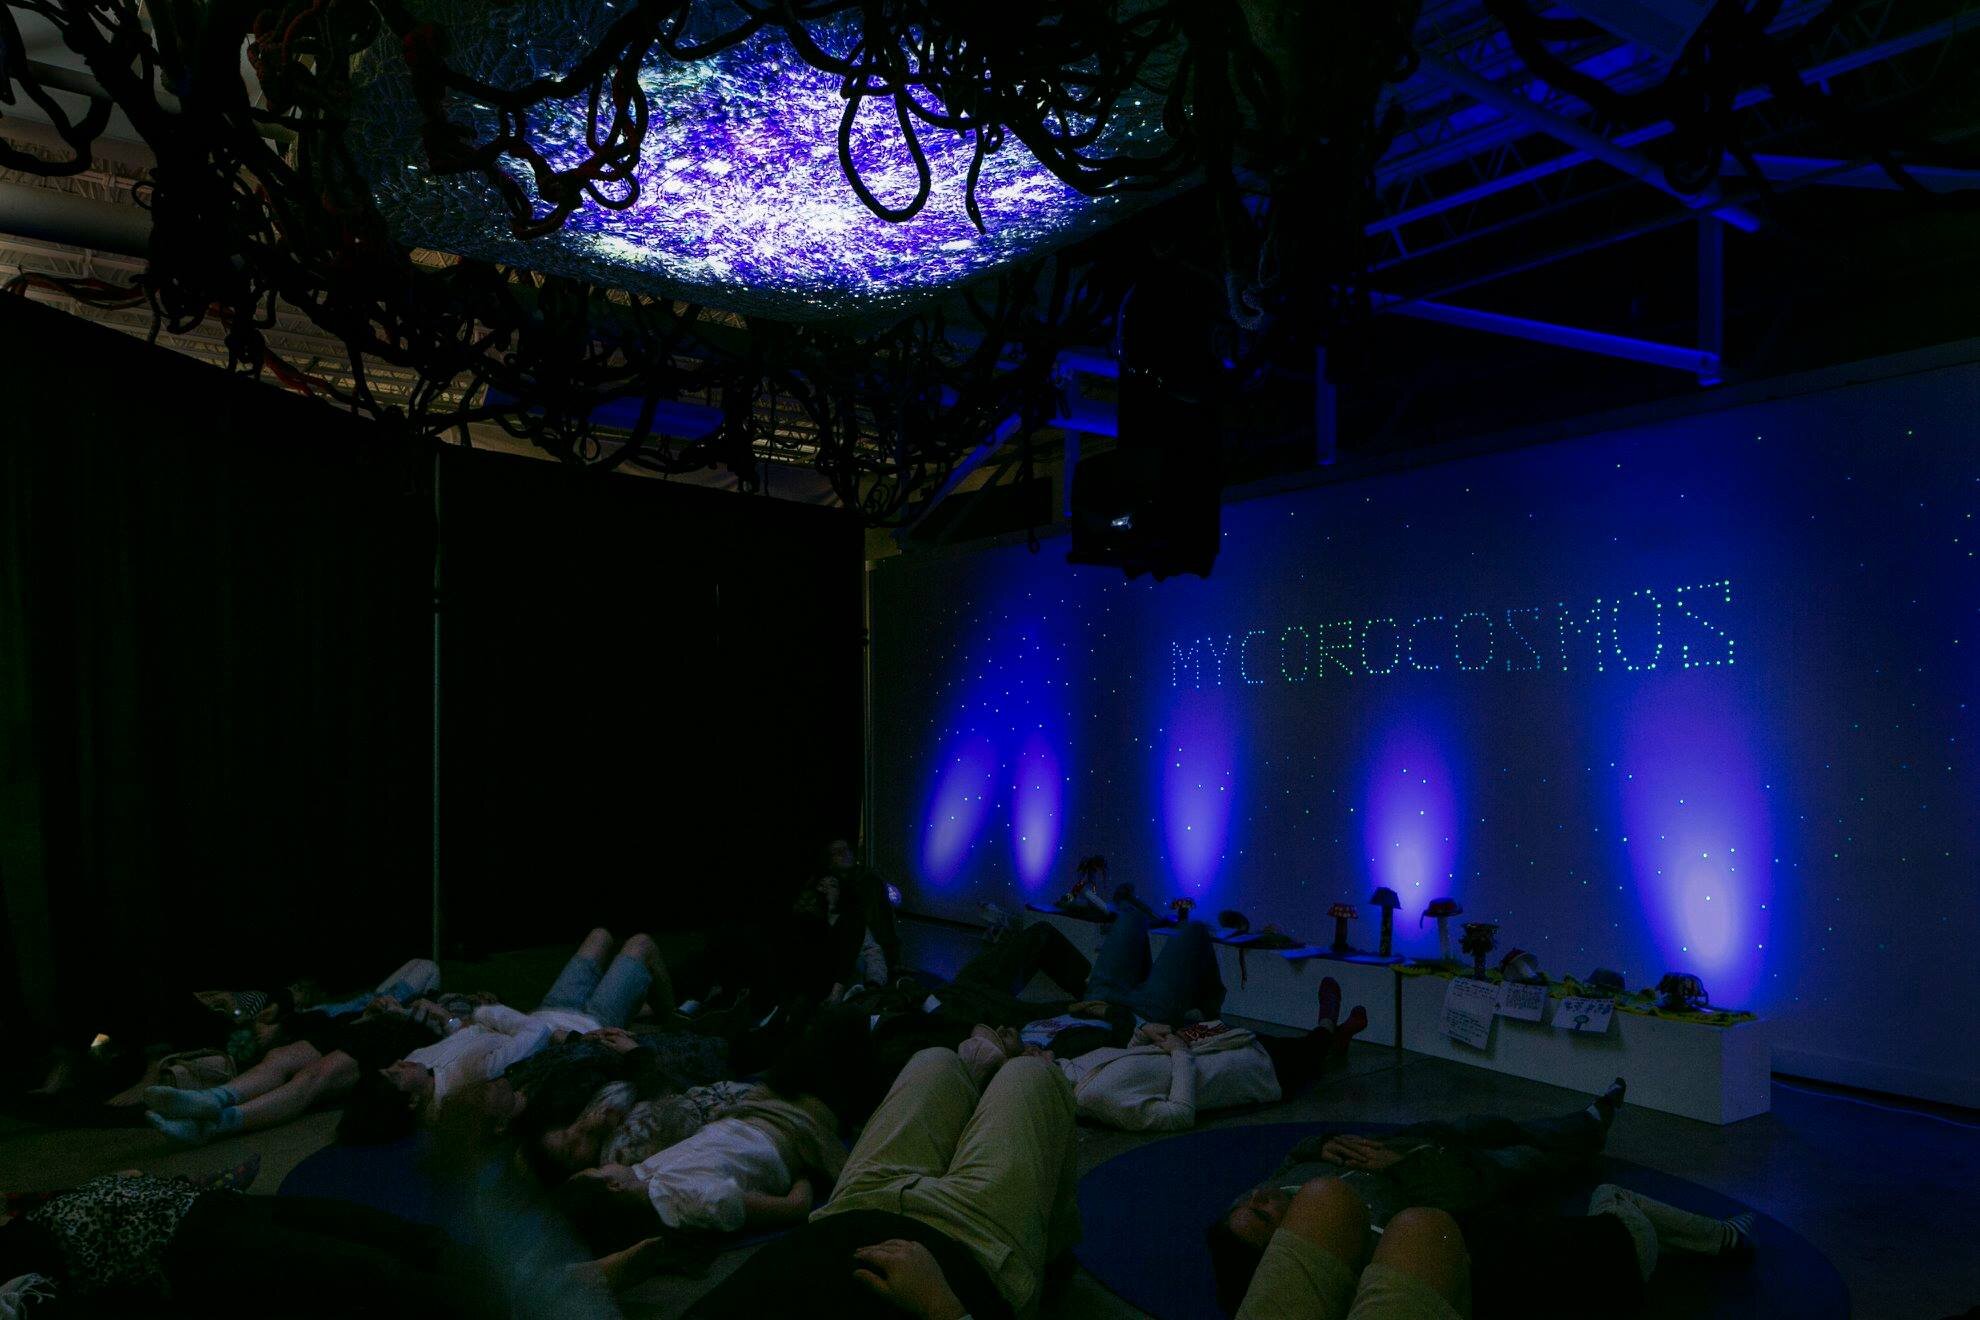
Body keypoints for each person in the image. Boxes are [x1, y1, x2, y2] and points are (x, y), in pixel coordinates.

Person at [684, 1046, 1081, 1319]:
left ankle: (976, 1075)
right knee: (1033, 1073)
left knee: (936, 1060)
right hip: (974, 1249)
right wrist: (943, 1309)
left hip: (851, 1207)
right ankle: (1048, 1256)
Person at [0, 1170, 490, 1317]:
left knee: (348, 1222)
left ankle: (477, 1268)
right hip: (164, 1243)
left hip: (186, 1203)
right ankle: (498, 1298)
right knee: (354, 1267)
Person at [339, 929, 671, 1142]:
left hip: (547, 1009)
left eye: (390, 1067)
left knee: (599, 936)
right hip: (585, 1024)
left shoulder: (417, 1064)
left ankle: (653, 1006)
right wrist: (484, 1016)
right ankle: (679, 1018)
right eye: (396, 1075)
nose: (399, 1063)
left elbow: (463, 1030)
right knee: (641, 944)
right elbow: (536, 1033)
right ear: (411, 1102)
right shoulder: (470, 1083)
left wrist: (460, 1019)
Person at [962, 976, 1369, 1131]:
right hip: (1248, 1074)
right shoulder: (1093, 1098)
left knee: (1282, 1044)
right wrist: (1178, 1055)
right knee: (1307, 1051)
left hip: (1219, 1043)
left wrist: (1144, 1036)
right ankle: (1331, 1027)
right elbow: (1178, 1114)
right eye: (1022, 1055)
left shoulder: (1071, 1067)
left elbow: (1127, 1060)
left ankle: (1337, 1038)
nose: (1032, 1048)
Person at [556, 1080, 844, 1237]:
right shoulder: (693, 1201)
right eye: (599, 1170)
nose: (604, 1165)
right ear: (613, 1186)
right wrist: (806, 1171)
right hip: (787, 1131)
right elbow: (794, 1207)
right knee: (834, 1035)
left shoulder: (643, 1179)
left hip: (744, 1111)